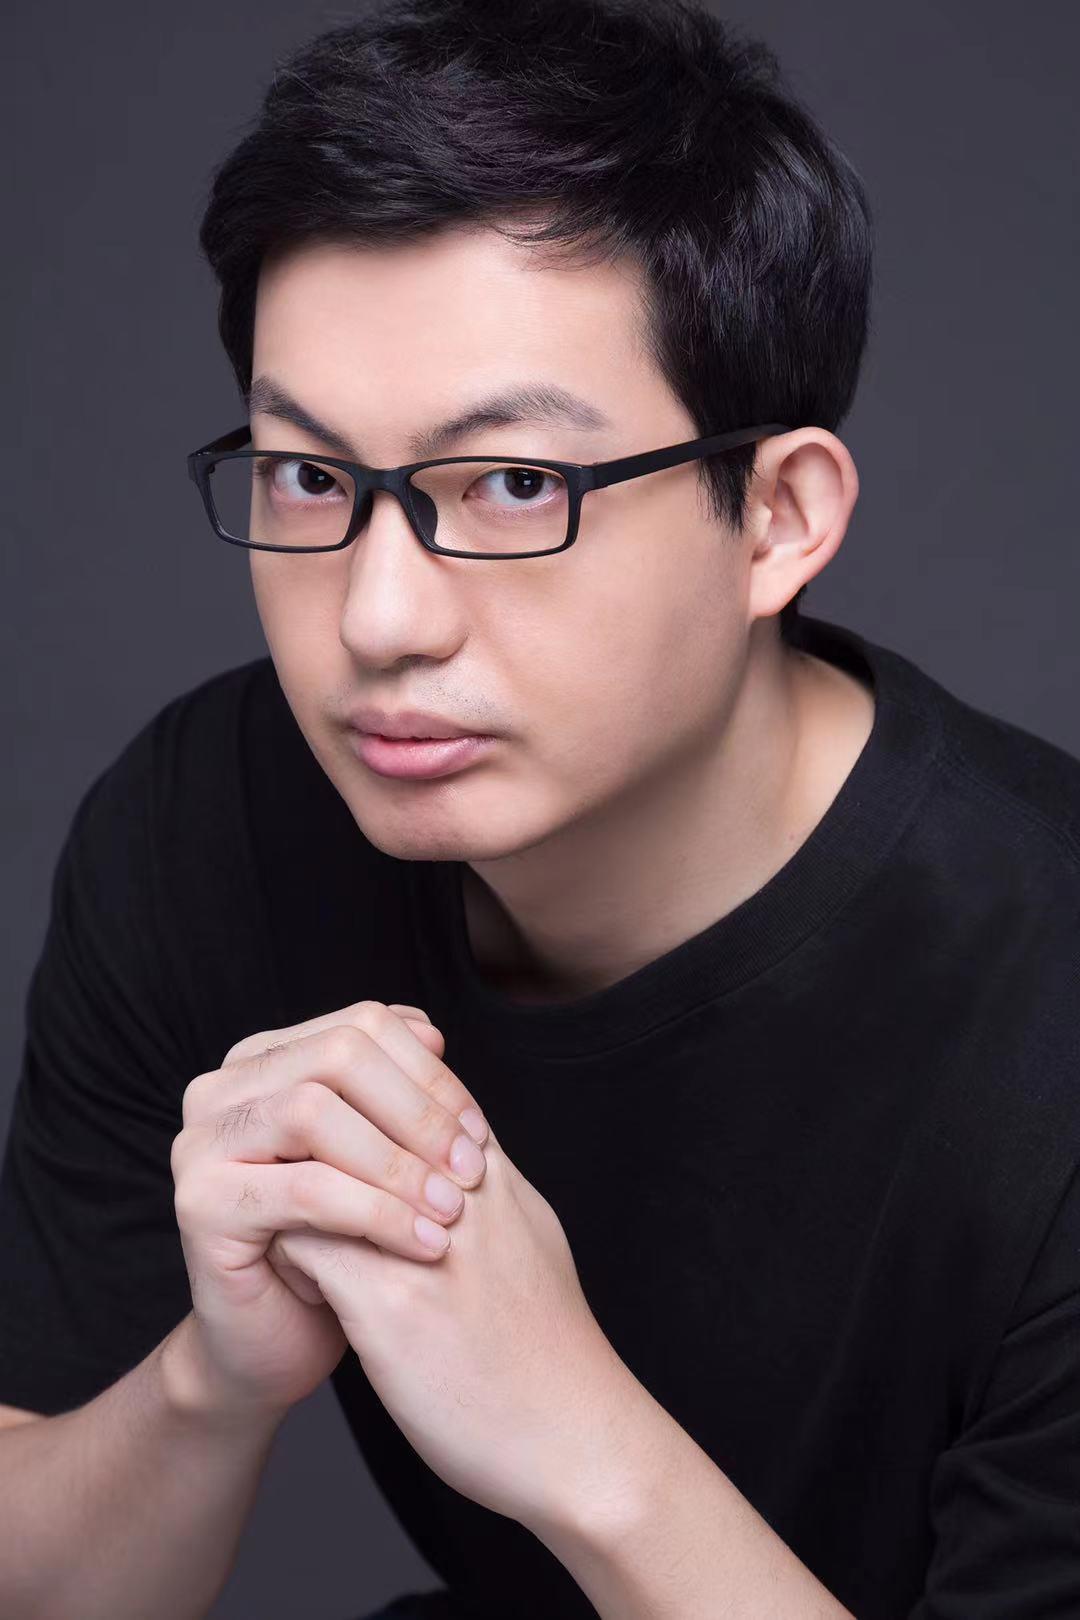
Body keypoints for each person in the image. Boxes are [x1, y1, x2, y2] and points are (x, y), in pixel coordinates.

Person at [1, 0, 1078, 1616]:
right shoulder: (206, 825)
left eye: (516, 486)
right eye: (310, 477)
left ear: (779, 519)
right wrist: (209, 1382)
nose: (378, 620)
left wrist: (578, 1439)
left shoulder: (1047, 1015)